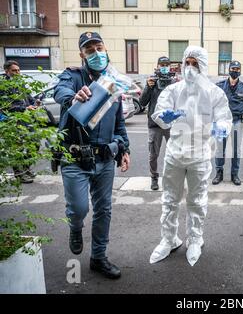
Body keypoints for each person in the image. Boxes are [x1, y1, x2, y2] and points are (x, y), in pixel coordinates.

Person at [54, 32, 131, 279]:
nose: (96, 53)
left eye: (99, 47)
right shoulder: (74, 77)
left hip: (105, 159)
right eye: (89, 50)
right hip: (75, 158)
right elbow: (60, 89)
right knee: (78, 208)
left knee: (103, 210)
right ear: (82, 55)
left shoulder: (114, 82)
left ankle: (98, 257)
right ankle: (75, 228)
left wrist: (125, 150)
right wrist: (72, 97)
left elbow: (119, 123)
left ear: (106, 49)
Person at [149, 46, 232, 266]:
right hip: (175, 154)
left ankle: (195, 239)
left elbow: (225, 118)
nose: (190, 68)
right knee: (170, 200)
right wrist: (163, 117)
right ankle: (169, 239)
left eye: (195, 64)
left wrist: (220, 127)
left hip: (200, 156)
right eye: (188, 62)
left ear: (203, 66)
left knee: (196, 201)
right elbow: (159, 113)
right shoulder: (173, 90)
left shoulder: (214, 93)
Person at [212, 61, 243, 185]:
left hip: (237, 122)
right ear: (229, 70)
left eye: (237, 69)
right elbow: (210, 102)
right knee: (219, 150)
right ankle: (219, 173)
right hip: (221, 122)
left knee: (236, 151)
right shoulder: (219, 86)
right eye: (233, 68)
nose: (235, 71)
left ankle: (235, 175)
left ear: (240, 71)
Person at [140, 56, 176, 190]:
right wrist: (148, 87)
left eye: (167, 64)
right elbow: (142, 102)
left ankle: (172, 178)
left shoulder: (173, 82)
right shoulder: (152, 81)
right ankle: (154, 178)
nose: (164, 67)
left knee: (175, 153)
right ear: (157, 66)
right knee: (154, 154)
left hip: (170, 124)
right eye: (162, 64)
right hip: (155, 125)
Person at [1, 60, 37, 183]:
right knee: (18, 148)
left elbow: (29, 97)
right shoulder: (3, 85)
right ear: (7, 71)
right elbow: (4, 106)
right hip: (13, 120)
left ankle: (26, 169)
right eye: (14, 70)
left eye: (18, 70)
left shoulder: (20, 82)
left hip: (26, 119)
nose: (17, 72)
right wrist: (24, 108)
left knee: (35, 143)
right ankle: (19, 174)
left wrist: (35, 103)